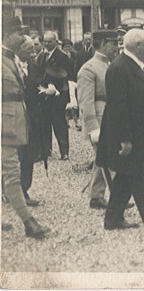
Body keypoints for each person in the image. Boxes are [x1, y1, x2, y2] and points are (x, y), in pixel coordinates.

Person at [96, 28, 144, 238]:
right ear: (138, 46)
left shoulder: (135, 65)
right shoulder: (119, 68)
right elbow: (118, 109)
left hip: (142, 135)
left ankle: (113, 218)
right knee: (141, 180)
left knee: (124, 178)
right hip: (133, 138)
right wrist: (124, 140)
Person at [2, 16, 50, 238]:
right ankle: (29, 222)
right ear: (5, 35)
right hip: (5, 126)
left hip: (12, 123)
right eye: (18, 33)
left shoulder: (9, 59)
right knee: (12, 173)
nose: (22, 38)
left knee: (10, 172)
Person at [77, 30, 120, 209]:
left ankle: (96, 197)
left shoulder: (111, 64)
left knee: (102, 158)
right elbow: (86, 102)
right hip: (99, 119)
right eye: (114, 43)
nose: (117, 47)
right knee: (110, 158)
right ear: (103, 44)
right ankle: (118, 198)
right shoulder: (89, 68)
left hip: (111, 117)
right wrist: (93, 128)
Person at [36, 31, 74, 160]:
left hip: (58, 94)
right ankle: (45, 150)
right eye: (45, 41)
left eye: (49, 41)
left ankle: (64, 151)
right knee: (44, 123)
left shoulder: (62, 56)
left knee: (59, 123)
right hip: (43, 94)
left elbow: (64, 73)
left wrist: (53, 87)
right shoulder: (41, 55)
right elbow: (38, 73)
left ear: (56, 42)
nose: (46, 44)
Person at [15, 37, 44, 207]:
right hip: (16, 116)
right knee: (16, 155)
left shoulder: (34, 66)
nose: (33, 53)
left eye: (33, 49)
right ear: (18, 49)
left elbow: (37, 85)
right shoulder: (10, 65)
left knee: (29, 153)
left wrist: (47, 91)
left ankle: (25, 188)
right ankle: (14, 191)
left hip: (32, 116)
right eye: (28, 50)